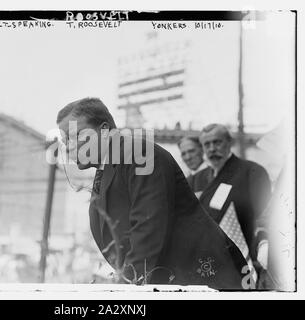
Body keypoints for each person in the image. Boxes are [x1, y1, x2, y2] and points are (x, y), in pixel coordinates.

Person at [56, 97, 248, 289]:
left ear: (104, 130)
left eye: (77, 135)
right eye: (65, 140)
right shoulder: (107, 169)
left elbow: (148, 228)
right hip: (168, 282)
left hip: (204, 281)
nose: (69, 145)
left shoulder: (139, 154)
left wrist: (127, 287)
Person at [189, 124, 271, 285]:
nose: (212, 148)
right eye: (207, 144)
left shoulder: (252, 172)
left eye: (217, 142)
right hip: (205, 261)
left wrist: (264, 243)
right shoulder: (196, 179)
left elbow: (265, 215)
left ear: (229, 142)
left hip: (242, 262)